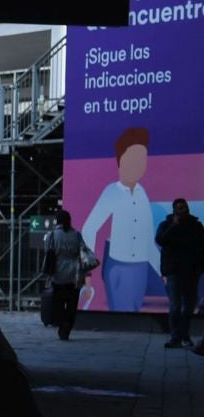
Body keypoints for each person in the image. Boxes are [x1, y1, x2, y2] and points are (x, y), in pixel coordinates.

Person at [82, 127, 158, 313]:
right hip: (119, 268)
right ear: (121, 160)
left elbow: (148, 240)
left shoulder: (142, 194)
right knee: (123, 313)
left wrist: (164, 270)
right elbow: (89, 229)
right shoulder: (112, 192)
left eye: (143, 158)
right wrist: (88, 272)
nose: (139, 164)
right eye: (133, 157)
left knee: (134, 313)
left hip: (141, 268)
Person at [154, 197, 203, 348]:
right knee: (175, 306)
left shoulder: (196, 225)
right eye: (180, 207)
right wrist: (174, 226)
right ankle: (176, 337)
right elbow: (160, 240)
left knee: (189, 306)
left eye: (185, 207)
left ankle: (184, 335)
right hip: (174, 271)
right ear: (174, 210)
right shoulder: (166, 225)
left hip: (192, 271)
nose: (183, 210)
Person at [43, 209, 95, 341]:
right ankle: (67, 327)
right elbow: (83, 252)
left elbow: (48, 253)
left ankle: (62, 324)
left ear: (57, 221)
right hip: (74, 276)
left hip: (58, 275)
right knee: (72, 304)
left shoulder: (52, 235)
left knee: (58, 304)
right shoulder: (77, 235)